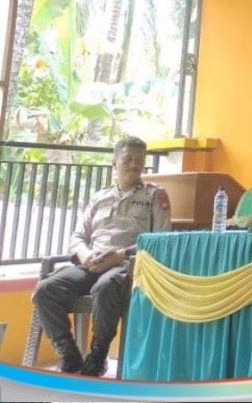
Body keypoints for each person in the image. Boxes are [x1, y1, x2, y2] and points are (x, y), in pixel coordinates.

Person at [31, 137, 171, 376]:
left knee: (105, 287)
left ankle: (98, 355)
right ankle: (69, 354)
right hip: (91, 264)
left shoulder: (155, 196)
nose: (134, 164)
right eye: (128, 159)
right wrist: (85, 255)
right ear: (114, 162)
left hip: (126, 266)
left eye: (139, 160)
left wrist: (121, 255)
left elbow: (161, 240)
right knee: (45, 290)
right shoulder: (99, 197)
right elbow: (77, 236)